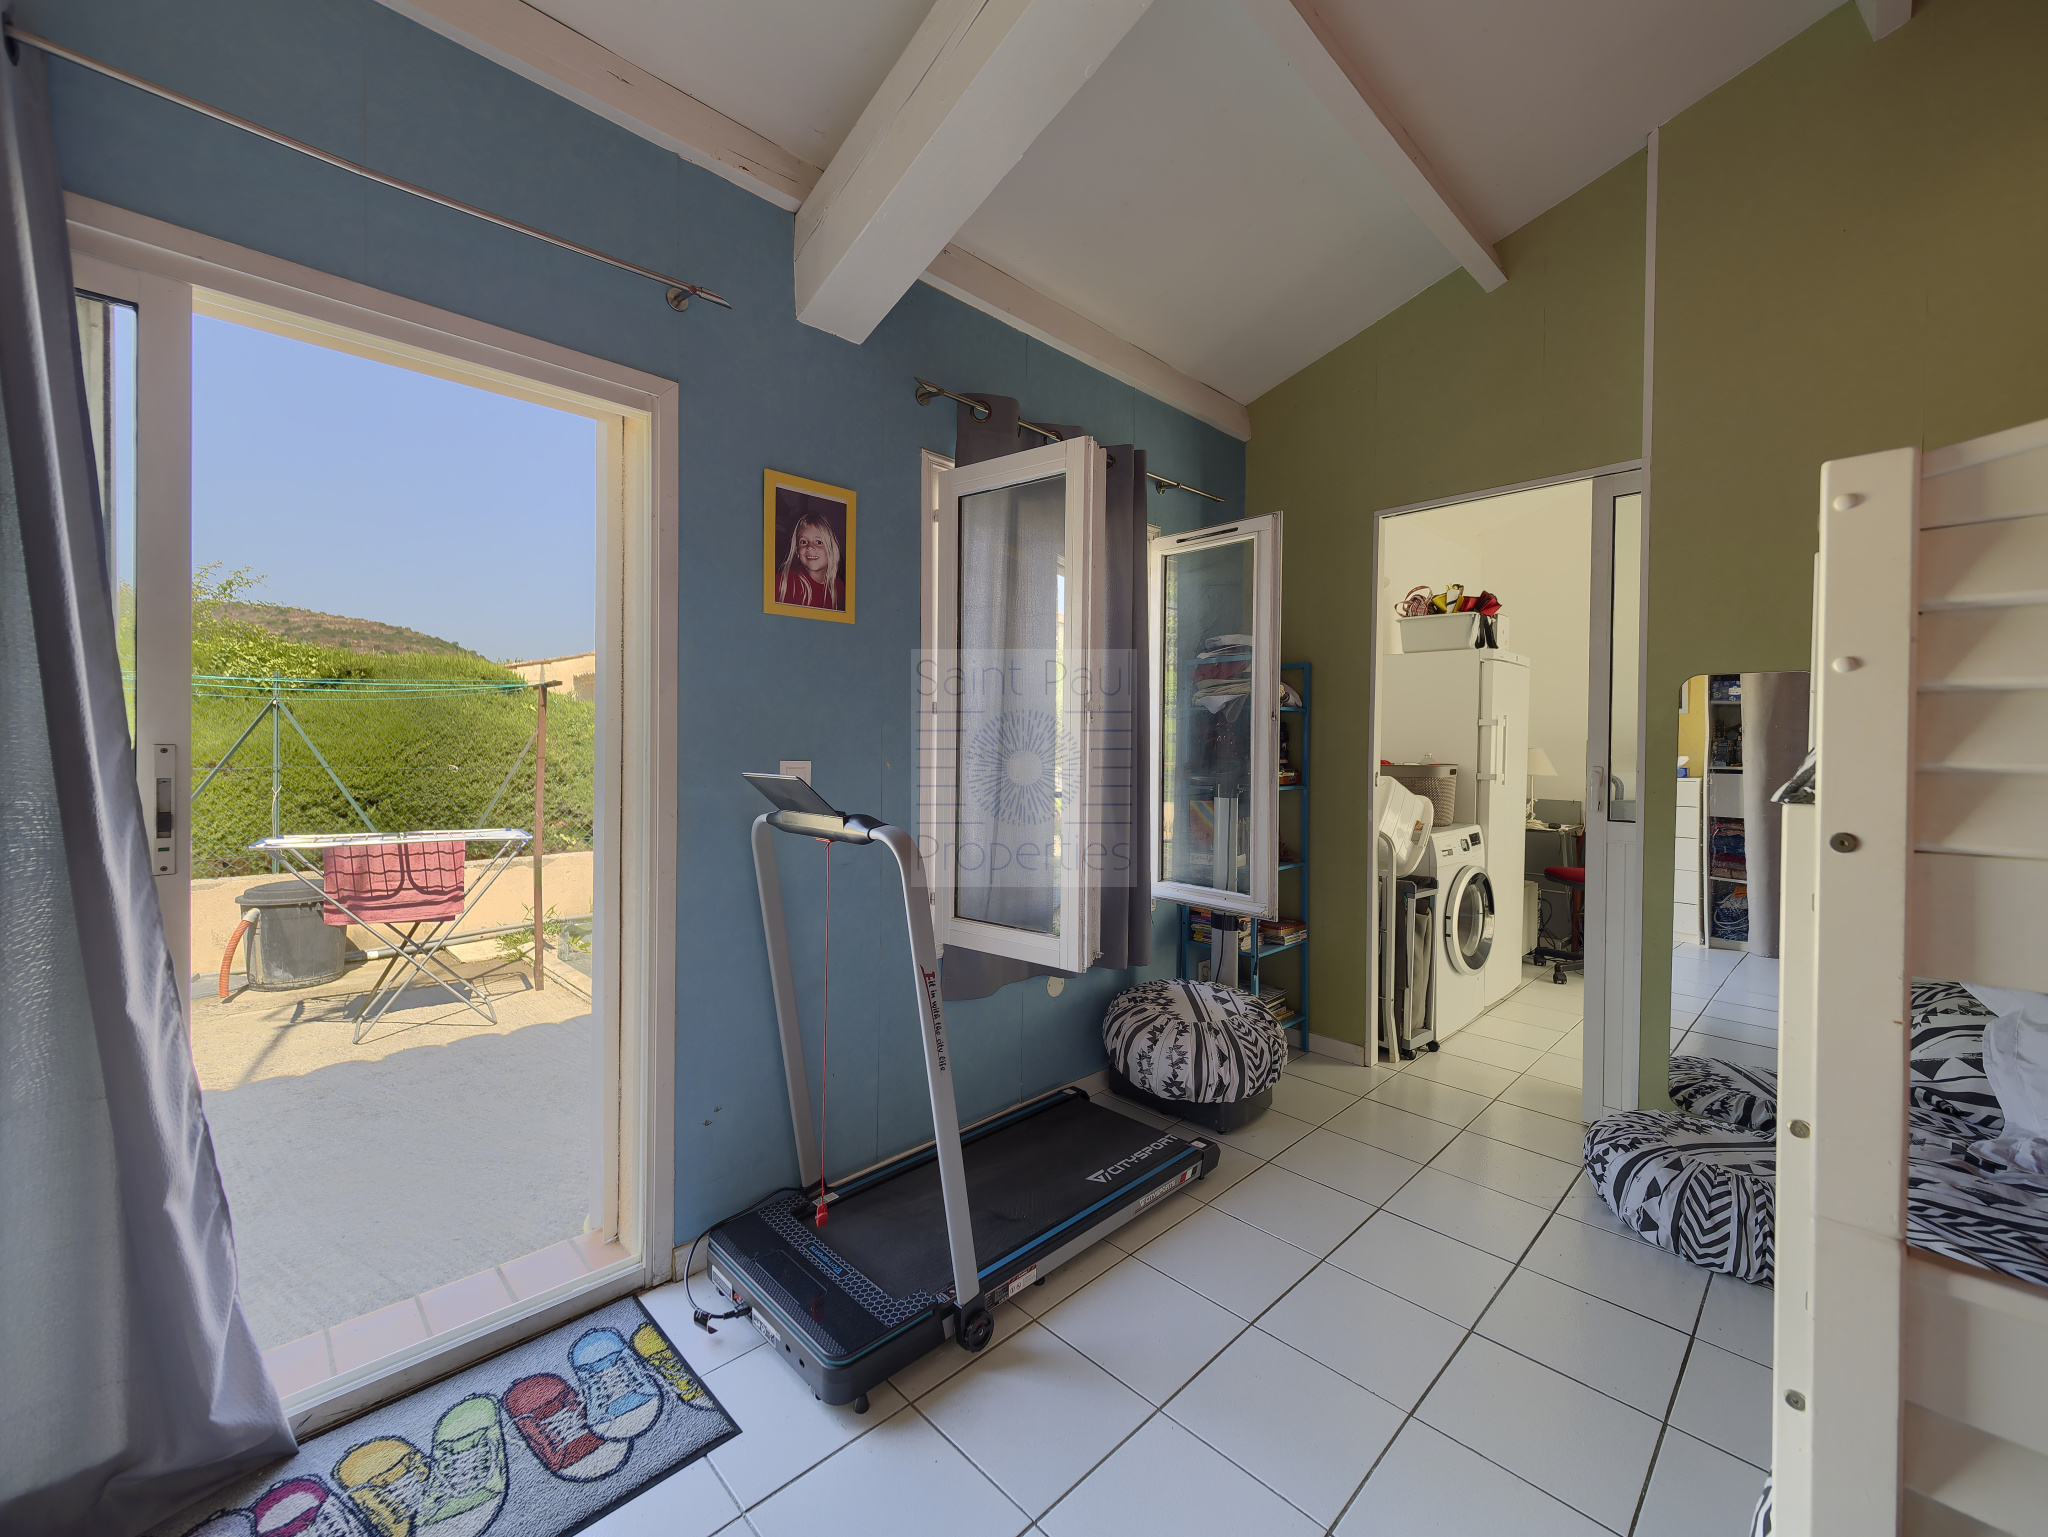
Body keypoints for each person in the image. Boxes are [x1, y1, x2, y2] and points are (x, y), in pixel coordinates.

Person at [776, 511, 844, 610]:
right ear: (797, 551)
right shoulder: (784, 582)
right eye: (803, 542)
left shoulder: (839, 588)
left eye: (818, 542)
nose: (810, 547)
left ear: (831, 550)